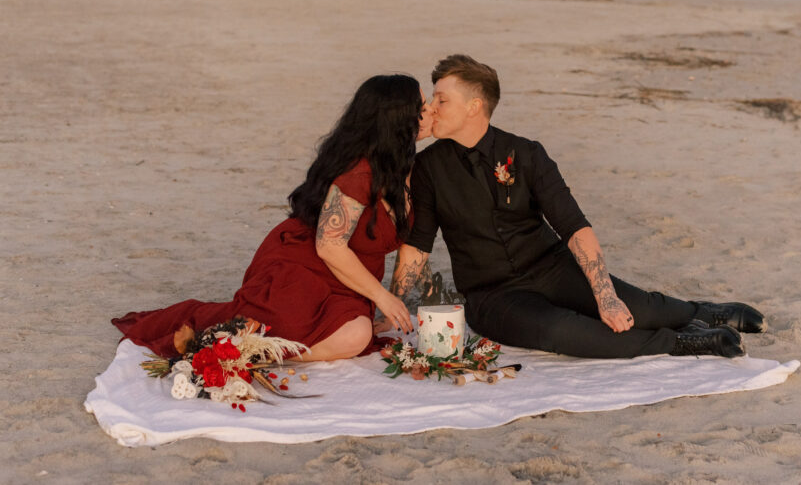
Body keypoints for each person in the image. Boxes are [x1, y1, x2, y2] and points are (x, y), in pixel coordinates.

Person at [390, 55, 765, 359]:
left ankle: (699, 313)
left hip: (553, 268)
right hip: (493, 295)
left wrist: (605, 297)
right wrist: (390, 306)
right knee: (563, 331)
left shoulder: (526, 153)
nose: (430, 109)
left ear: (474, 106)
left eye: (441, 100)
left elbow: (574, 227)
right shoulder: (426, 168)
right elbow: (418, 246)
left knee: (638, 308)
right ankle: (681, 342)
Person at [112, 75, 425, 361]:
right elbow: (329, 247)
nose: (430, 111)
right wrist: (382, 296)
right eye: (422, 107)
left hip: (349, 280)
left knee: (356, 334)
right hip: (303, 265)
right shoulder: (358, 174)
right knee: (350, 335)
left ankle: (257, 349)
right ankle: (252, 351)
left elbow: (414, 243)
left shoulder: (407, 167)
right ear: (398, 122)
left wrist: (390, 300)